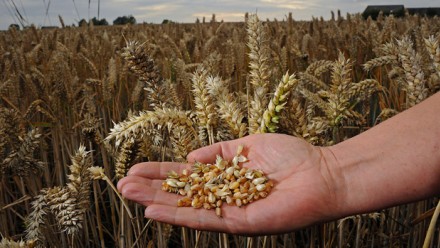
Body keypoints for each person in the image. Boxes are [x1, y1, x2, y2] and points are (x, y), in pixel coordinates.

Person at [117, 92, 440, 235]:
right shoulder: (221, 184)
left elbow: (226, 187)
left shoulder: (230, 184)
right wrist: (330, 168)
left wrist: (330, 171)